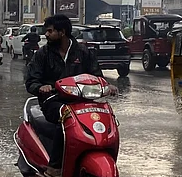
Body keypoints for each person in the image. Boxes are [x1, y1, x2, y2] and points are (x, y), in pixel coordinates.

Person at [25, 14, 115, 166]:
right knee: (67, 117)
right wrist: (41, 87)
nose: (46, 34)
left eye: (50, 31)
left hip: (82, 102)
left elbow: (96, 76)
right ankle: (55, 167)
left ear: (62, 32)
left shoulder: (83, 52)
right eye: (46, 31)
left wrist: (107, 85)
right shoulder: (43, 54)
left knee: (106, 116)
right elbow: (31, 81)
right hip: (53, 101)